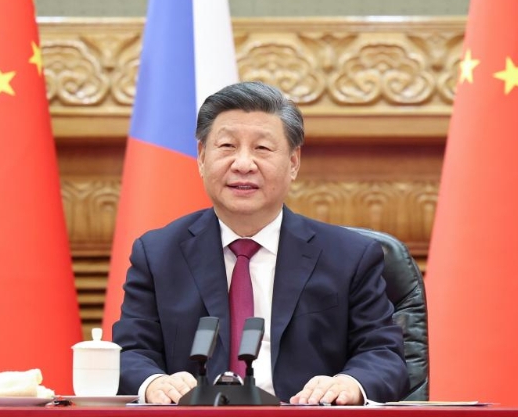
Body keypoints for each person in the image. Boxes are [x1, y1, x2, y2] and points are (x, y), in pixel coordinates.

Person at [112, 81, 409, 405]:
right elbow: (129, 353)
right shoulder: (158, 255)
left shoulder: (350, 257)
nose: (243, 164)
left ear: (293, 162)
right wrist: (155, 383)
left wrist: (350, 384)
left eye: (262, 149)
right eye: (226, 146)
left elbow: (384, 355)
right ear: (201, 157)